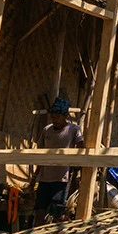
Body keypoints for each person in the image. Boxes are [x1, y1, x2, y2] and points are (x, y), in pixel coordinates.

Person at [33, 97, 84, 226]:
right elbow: (41, 154)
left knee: (57, 213)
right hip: (44, 178)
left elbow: (81, 148)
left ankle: (68, 231)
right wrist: (35, 176)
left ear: (65, 116)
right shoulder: (47, 130)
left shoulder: (73, 129)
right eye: (53, 117)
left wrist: (76, 165)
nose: (54, 120)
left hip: (60, 179)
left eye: (57, 117)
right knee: (39, 212)